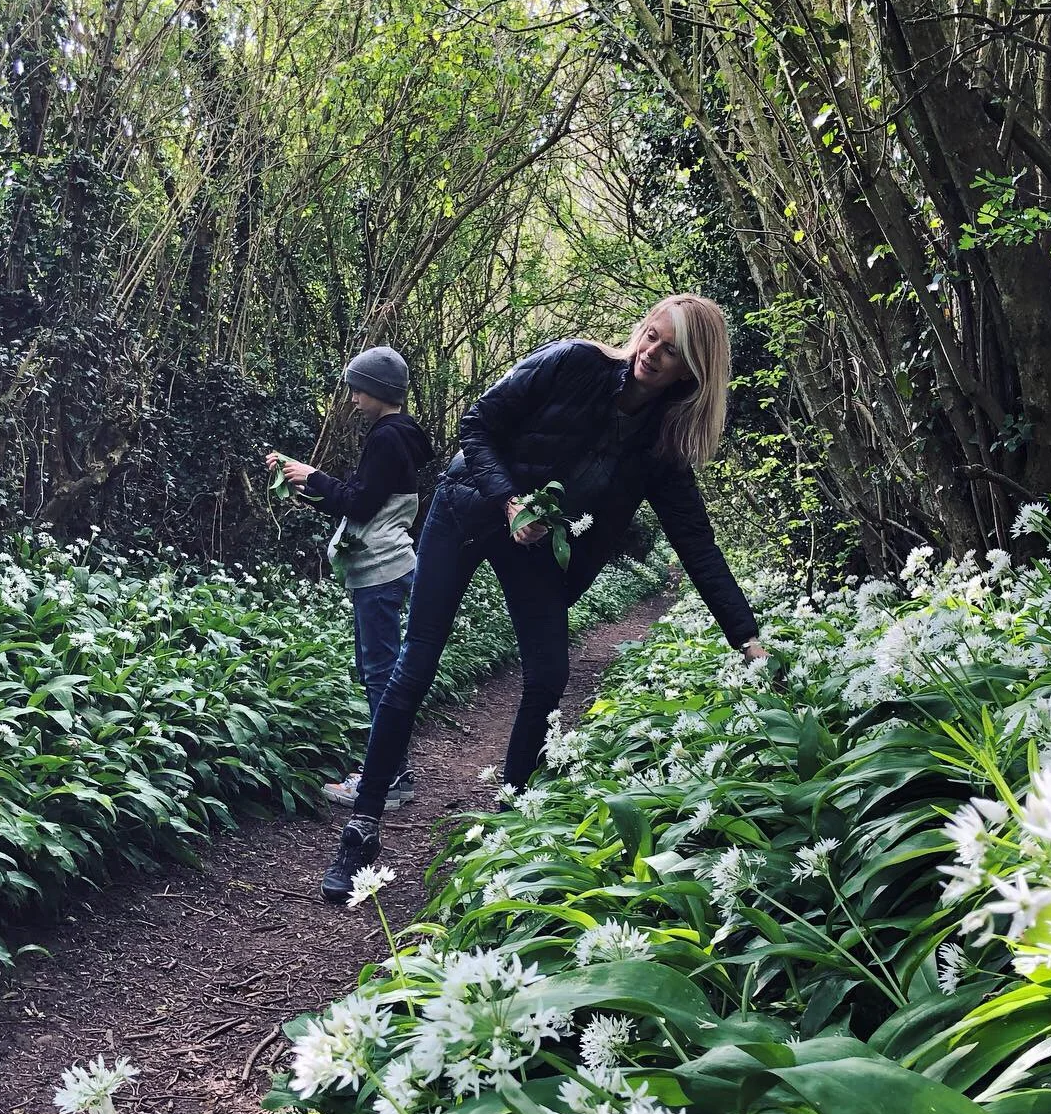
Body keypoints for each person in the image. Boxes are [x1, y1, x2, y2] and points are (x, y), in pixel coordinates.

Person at [321, 293, 767, 902]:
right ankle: (362, 827)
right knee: (415, 664)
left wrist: (748, 638)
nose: (653, 353)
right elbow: (476, 426)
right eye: (652, 335)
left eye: (673, 350)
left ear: (694, 370)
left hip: (532, 544)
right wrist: (509, 499)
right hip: (469, 507)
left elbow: (698, 546)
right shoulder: (574, 363)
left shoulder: (660, 448)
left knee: (549, 677)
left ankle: (511, 831)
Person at [267, 346, 434, 811]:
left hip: (379, 569)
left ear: (379, 391)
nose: (353, 397)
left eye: (358, 389)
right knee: (378, 670)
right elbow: (363, 502)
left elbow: (359, 504)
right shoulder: (400, 435)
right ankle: (390, 771)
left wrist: (313, 475)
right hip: (383, 565)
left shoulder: (386, 437)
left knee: (380, 673)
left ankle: (389, 778)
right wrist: (303, 484)